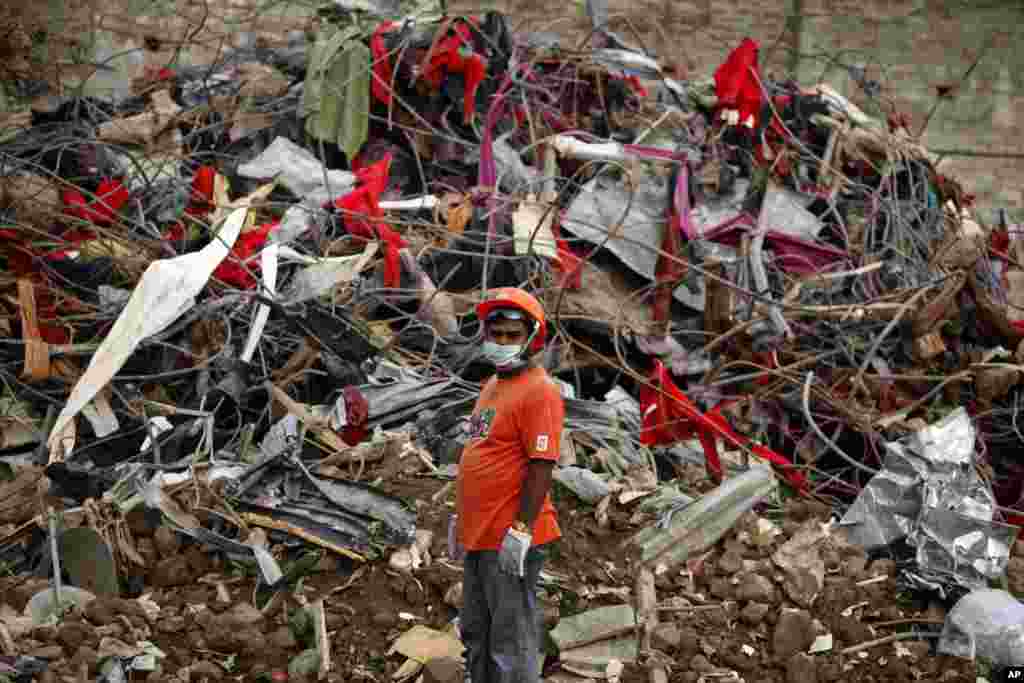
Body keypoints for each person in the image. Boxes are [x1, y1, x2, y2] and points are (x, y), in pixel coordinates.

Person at [453, 287, 565, 683]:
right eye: (495, 333)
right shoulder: (492, 386)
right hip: (480, 535)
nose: (501, 343)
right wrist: (461, 521)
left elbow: (541, 465)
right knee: (476, 633)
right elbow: (483, 455)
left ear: (532, 339)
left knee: (510, 641)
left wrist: (521, 531)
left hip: (509, 537)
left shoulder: (540, 391)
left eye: (511, 336)